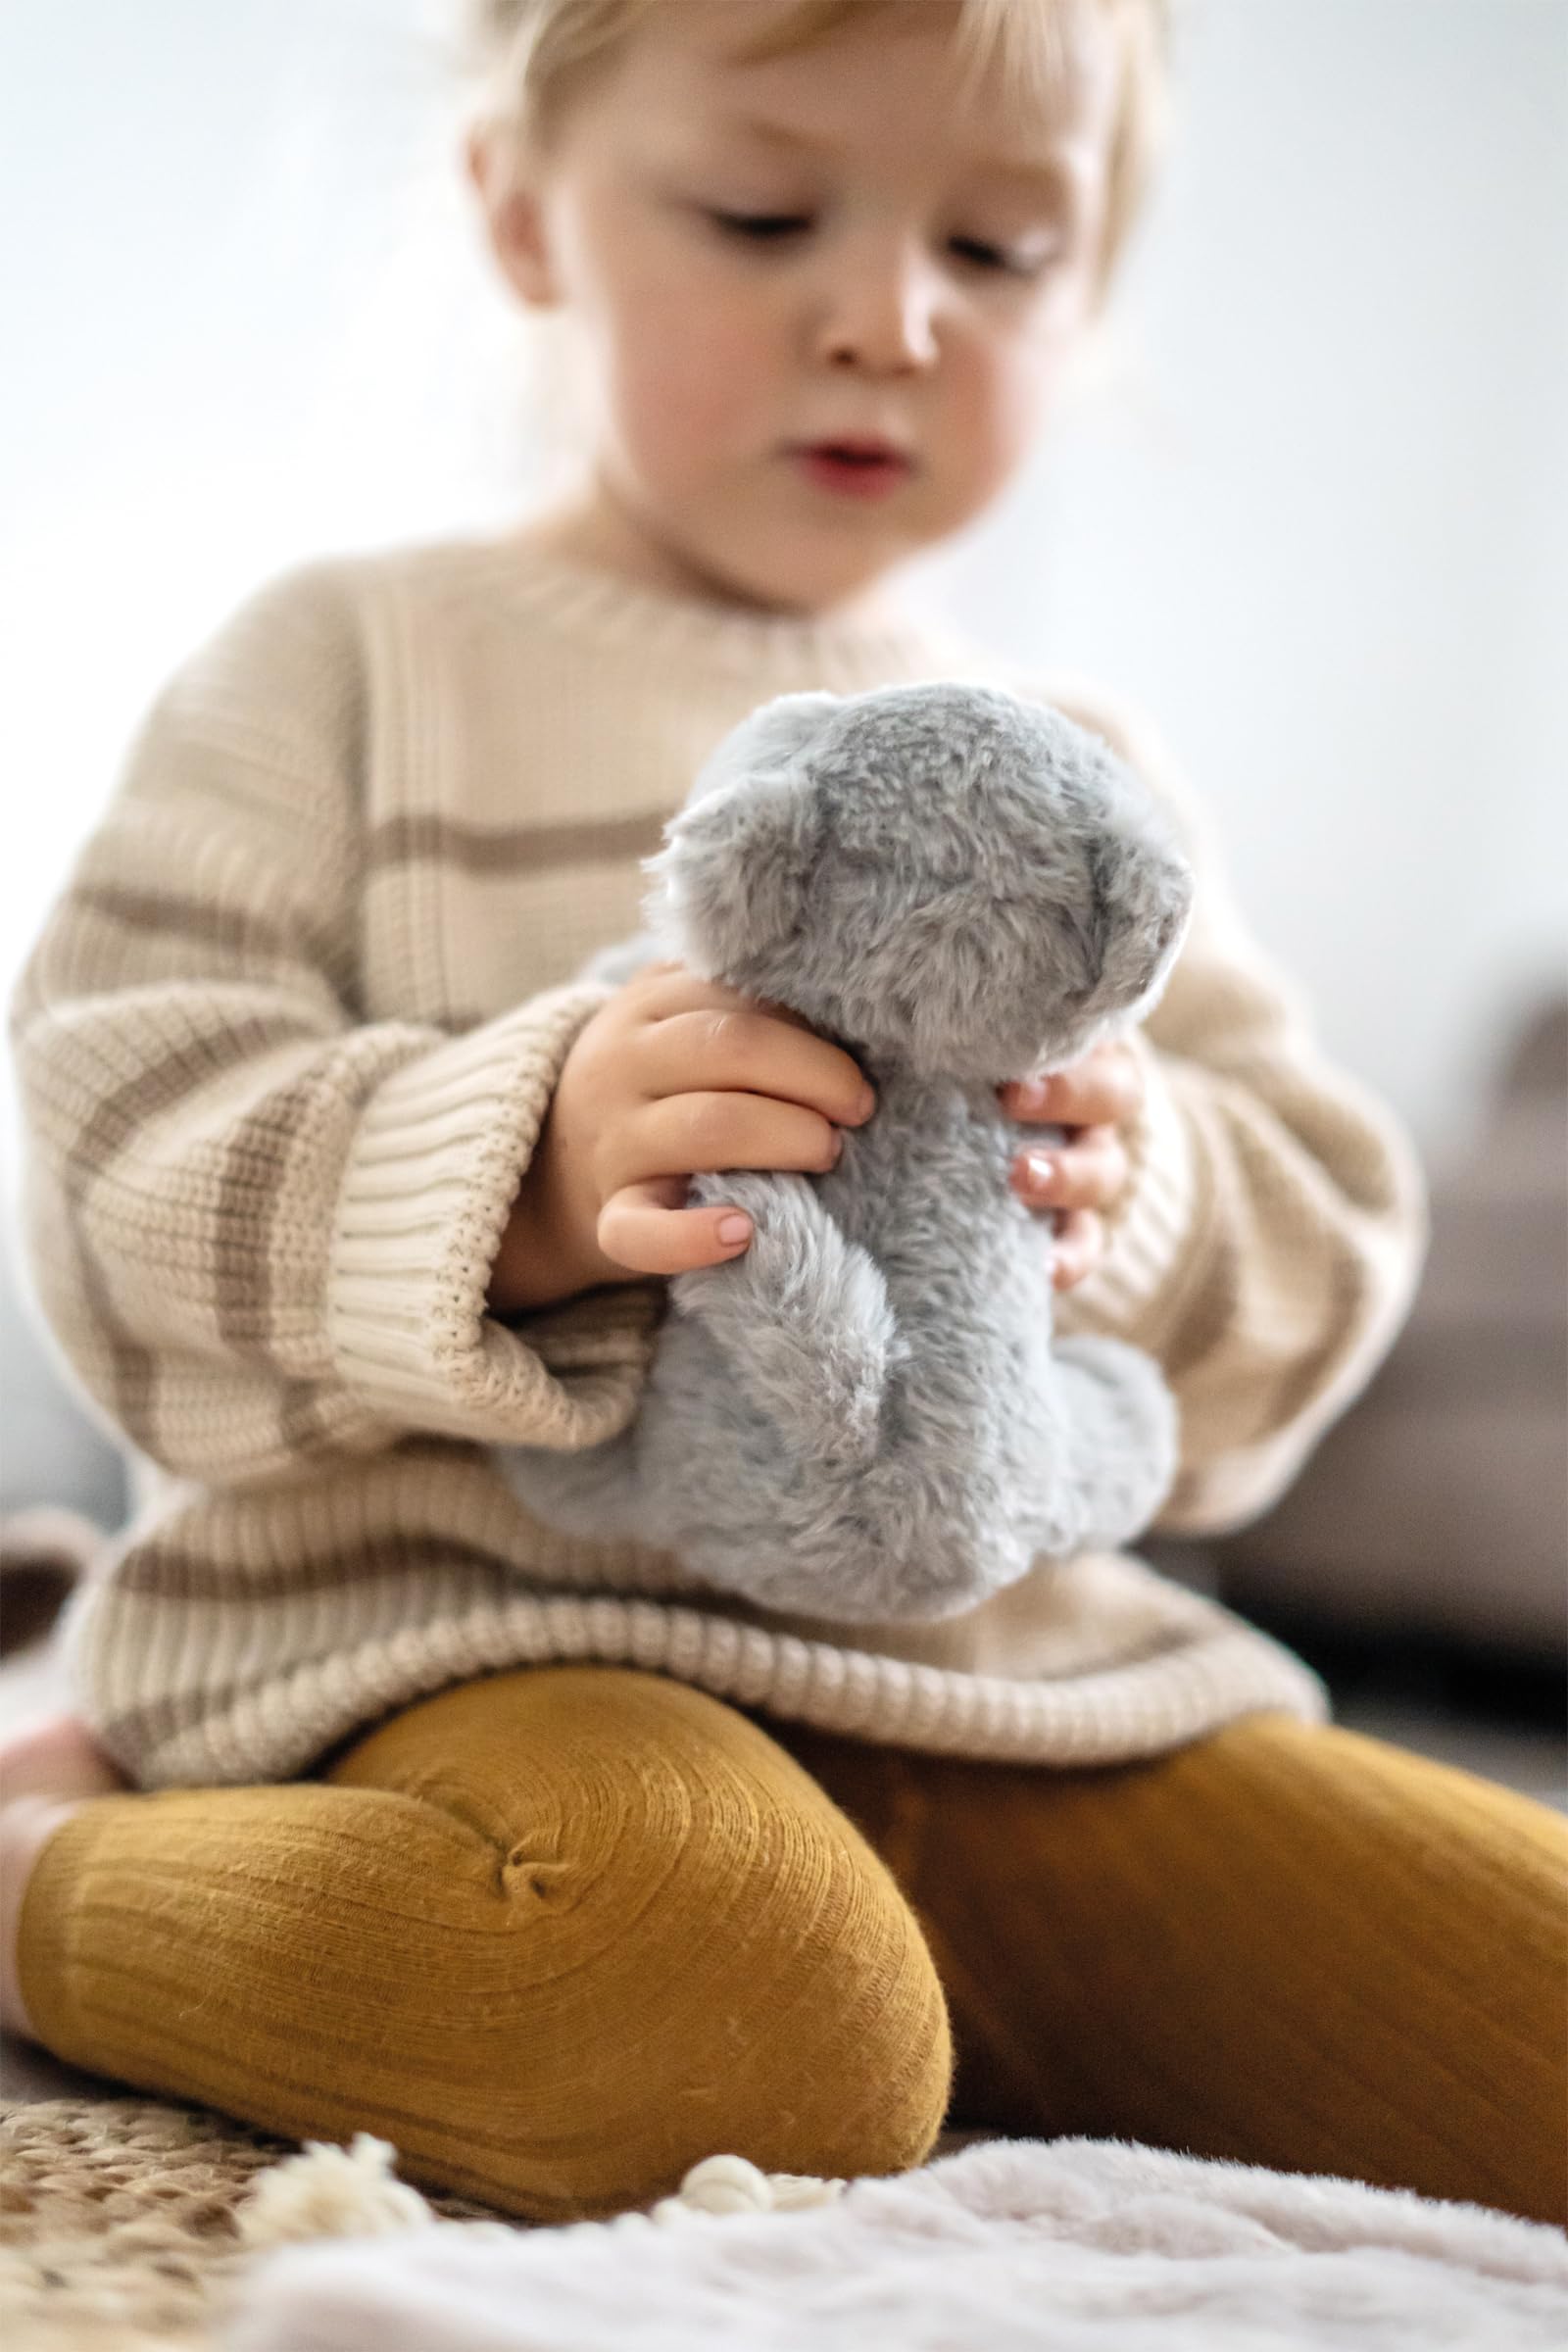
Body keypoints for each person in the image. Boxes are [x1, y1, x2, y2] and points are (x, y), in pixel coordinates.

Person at [2, 0, 1562, 2230]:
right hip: (448, 1663)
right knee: (720, 2020)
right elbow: (108, 1157)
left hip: (1013, 1693)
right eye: (760, 213)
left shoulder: (1084, 782)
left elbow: (1316, 1245)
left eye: (1002, 250)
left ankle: (952, 1994)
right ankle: (46, 1866)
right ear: (522, 213)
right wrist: (517, 1172)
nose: (888, 319)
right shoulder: (341, 665)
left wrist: (1130, 1189)